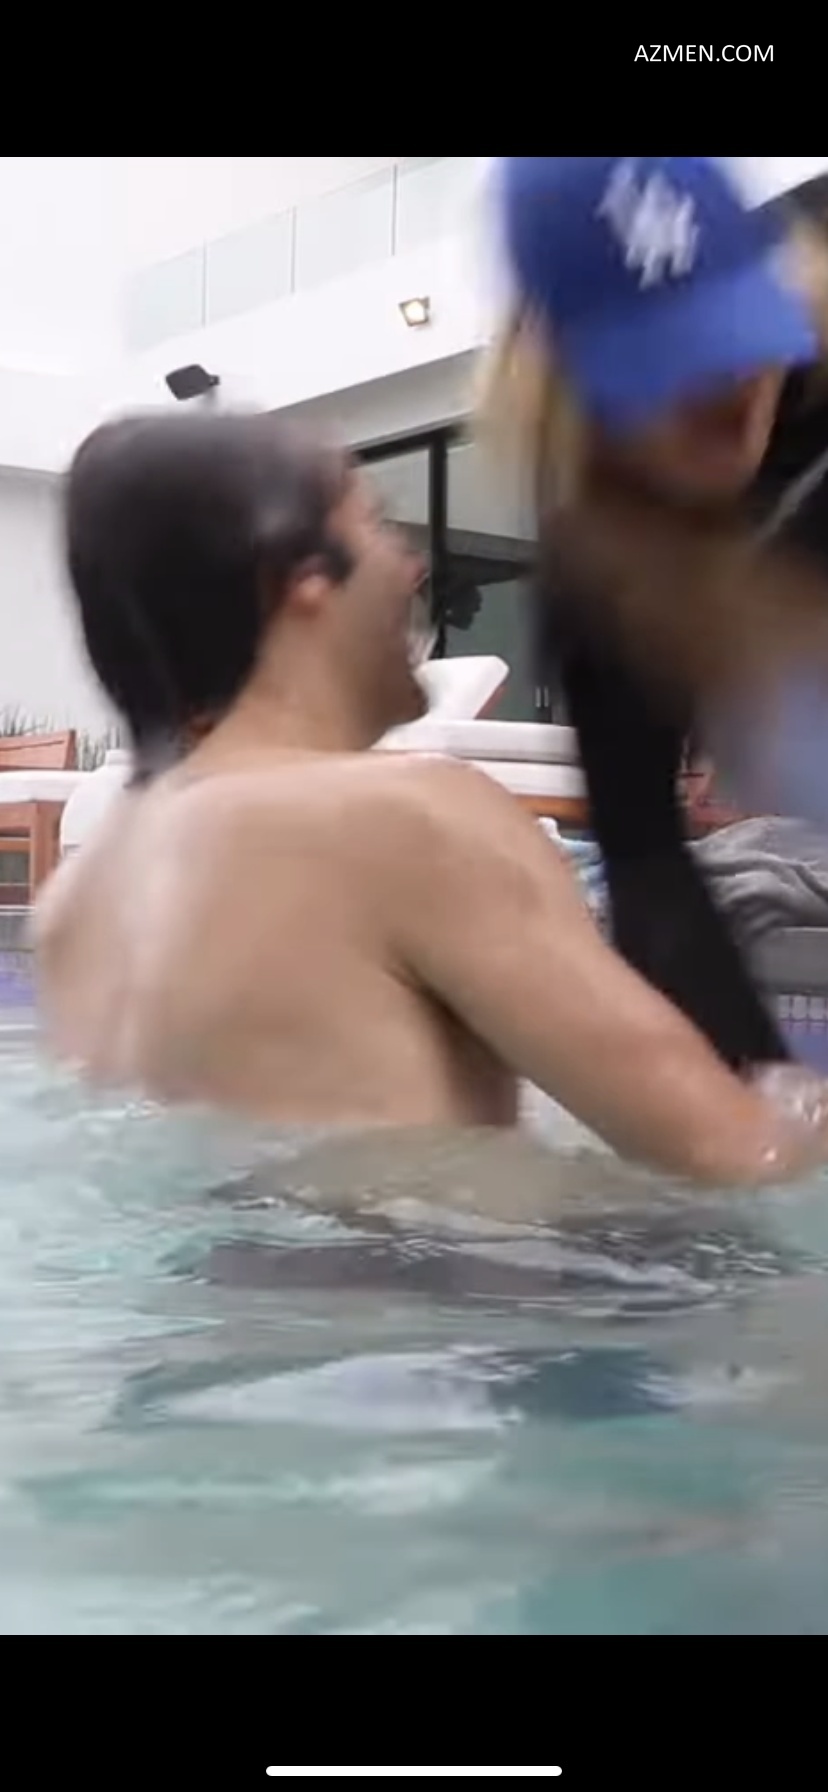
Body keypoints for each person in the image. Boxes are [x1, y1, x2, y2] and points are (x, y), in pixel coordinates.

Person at [31, 411, 828, 1189]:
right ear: (302, 578)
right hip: (442, 1272)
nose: (414, 567)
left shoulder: (71, 905)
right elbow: (732, 1151)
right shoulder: (404, 816)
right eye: (378, 525)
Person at [487, 156, 828, 1072]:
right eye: (667, 366)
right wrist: (775, 1102)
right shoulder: (604, 571)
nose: (722, 391)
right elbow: (651, 876)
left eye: (731, 335)